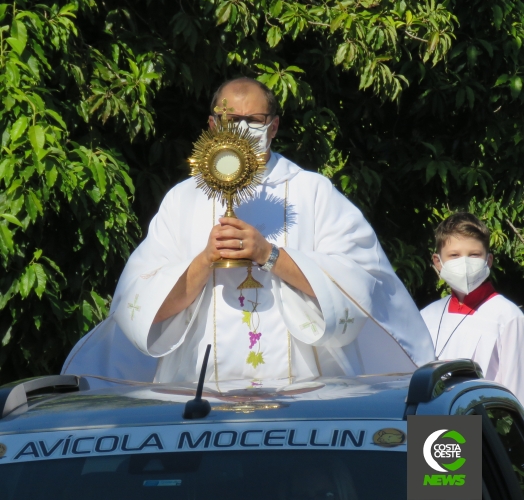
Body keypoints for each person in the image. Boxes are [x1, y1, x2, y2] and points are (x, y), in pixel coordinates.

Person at [62, 77, 434, 384]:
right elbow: (143, 302)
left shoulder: (312, 193)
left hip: (300, 392)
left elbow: (358, 286)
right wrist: (205, 260)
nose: (241, 129)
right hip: (197, 389)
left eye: (253, 120)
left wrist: (269, 254)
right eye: (229, 119)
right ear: (211, 126)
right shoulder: (184, 200)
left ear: (273, 126)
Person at [421, 212, 524, 403]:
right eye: (454, 255)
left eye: (474, 255)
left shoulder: (508, 317)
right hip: (429, 423)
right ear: (438, 262)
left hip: (483, 425)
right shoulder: (427, 316)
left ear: (489, 261)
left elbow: (517, 393)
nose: (465, 263)